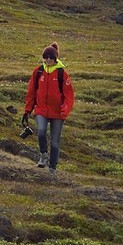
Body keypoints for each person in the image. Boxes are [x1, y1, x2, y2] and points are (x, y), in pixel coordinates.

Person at [23, 42, 75, 171]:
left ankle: (52, 168)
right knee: (41, 132)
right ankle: (43, 155)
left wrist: (65, 110)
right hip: (41, 110)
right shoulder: (38, 71)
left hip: (58, 113)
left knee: (55, 142)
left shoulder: (62, 73)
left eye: (51, 58)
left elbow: (69, 95)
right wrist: (28, 109)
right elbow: (31, 91)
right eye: (46, 57)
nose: (48, 60)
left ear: (55, 58)